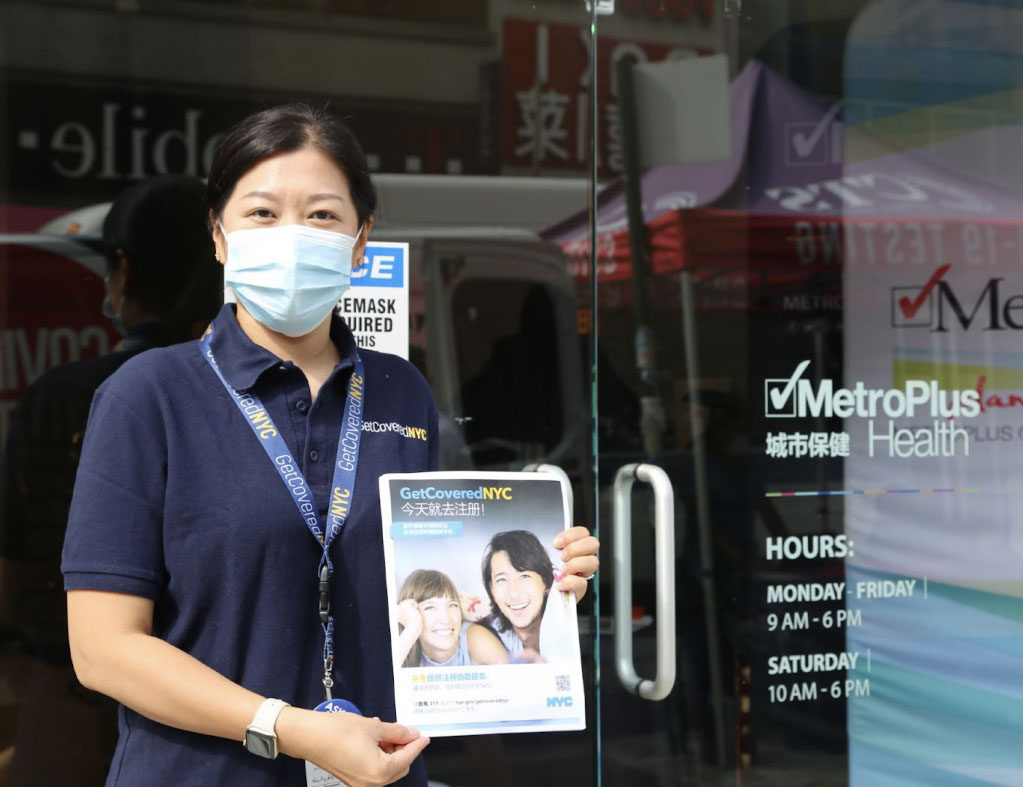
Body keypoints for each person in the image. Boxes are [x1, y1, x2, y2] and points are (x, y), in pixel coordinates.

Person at [60, 103, 599, 787]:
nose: (292, 236)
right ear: (218, 235)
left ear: (360, 237)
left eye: (321, 215)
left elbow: (432, 579)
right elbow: (103, 648)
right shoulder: (148, 395)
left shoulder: (402, 392)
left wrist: (540, 573)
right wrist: (291, 727)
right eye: (261, 213)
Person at [0, 174, 221, 787]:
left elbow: (15, 575)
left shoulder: (65, 397)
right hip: (217, 704)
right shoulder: (248, 395)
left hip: (72, 694)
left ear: (122, 268)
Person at [394, 569, 507, 668]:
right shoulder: (404, 643)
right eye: (430, 607)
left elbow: (513, 682)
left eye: (452, 605)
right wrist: (411, 629)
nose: (446, 619)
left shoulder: (475, 639)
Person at [481, 530, 561, 662]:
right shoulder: (483, 634)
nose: (514, 593)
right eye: (501, 579)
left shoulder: (565, 623)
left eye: (524, 576)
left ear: (546, 582)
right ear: (492, 589)